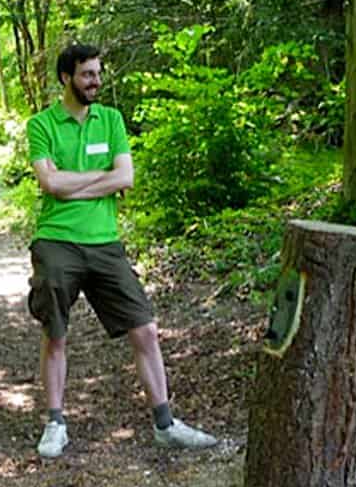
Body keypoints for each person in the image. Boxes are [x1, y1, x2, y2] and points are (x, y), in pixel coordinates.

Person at [26, 42, 219, 459]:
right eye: (87, 74)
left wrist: (75, 183)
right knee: (55, 331)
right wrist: (100, 179)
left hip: (105, 242)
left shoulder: (112, 119)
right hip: (56, 239)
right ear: (66, 78)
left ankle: (165, 424)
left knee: (145, 328)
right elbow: (50, 185)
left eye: (98, 73)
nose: (96, 81)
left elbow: (124, 176)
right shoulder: (42, 124)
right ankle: (55, 423)